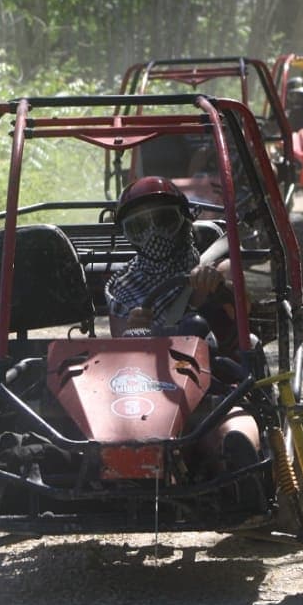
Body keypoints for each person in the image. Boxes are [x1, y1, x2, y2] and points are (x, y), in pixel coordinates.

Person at [105, 176, 260, 474]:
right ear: (129, 236)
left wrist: (215, 289)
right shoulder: (123, 288)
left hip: (213, 384)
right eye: (140, 227)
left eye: (163, 220)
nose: (154, 234)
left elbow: (244, 311)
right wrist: (134, 330)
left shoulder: (218, 266)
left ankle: (242, 467)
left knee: (229, 426)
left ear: (184, 221)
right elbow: (120, 357)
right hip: (147, 392)